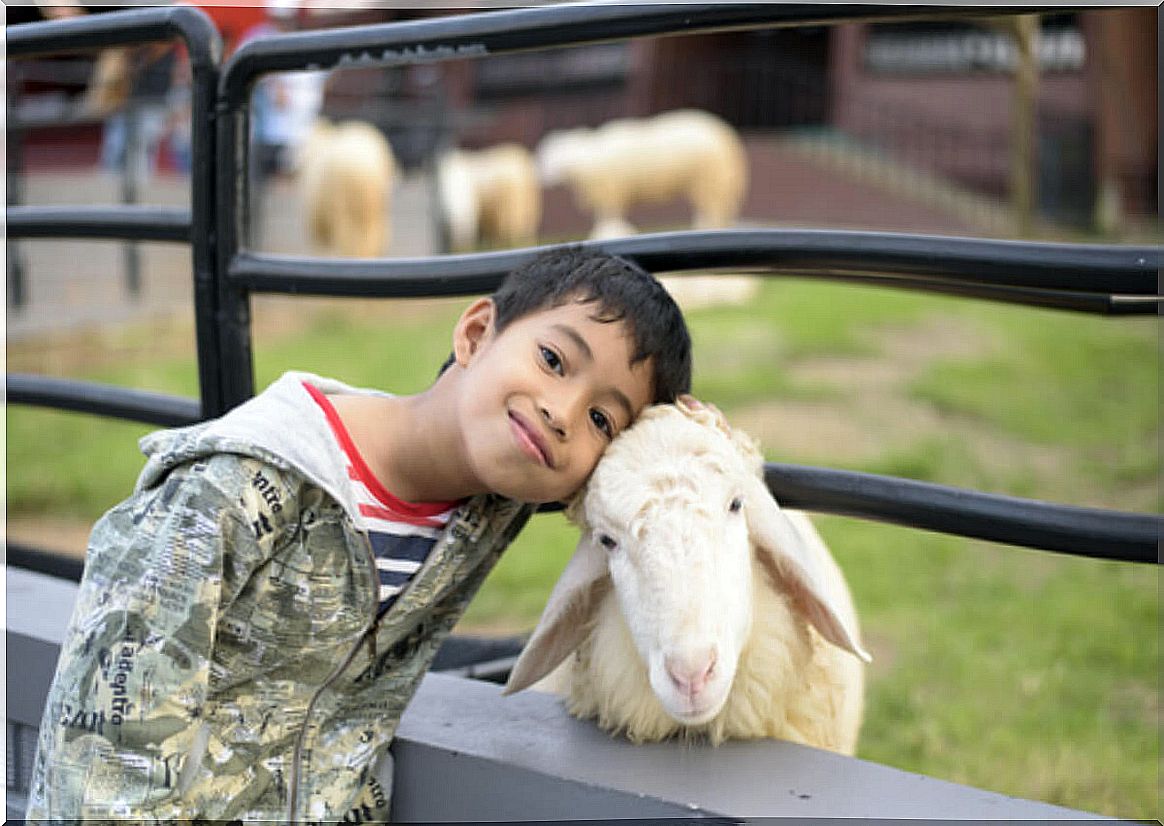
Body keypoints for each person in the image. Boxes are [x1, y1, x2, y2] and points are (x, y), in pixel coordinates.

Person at [25, 247, 694, 823]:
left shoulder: (490, 502)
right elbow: (104, 759)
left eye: (603, 420)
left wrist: (679, 443)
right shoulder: (222, 495)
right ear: (477, 332)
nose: (561, 413)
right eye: (552, 359)